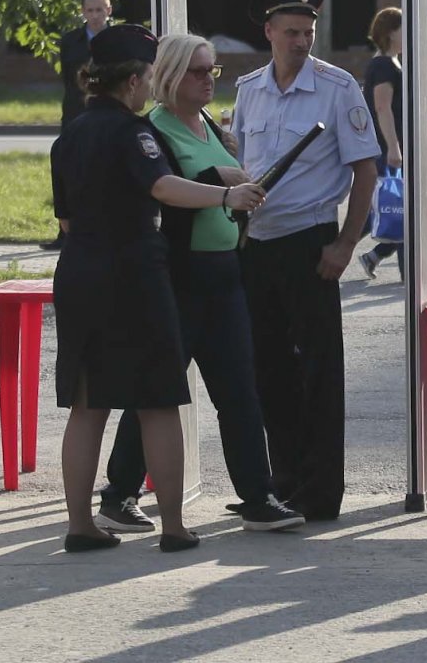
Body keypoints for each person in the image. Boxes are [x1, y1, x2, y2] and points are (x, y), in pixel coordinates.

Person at [50, 24, 266, 553]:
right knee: (159, 401)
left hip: (78, 273)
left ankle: (81, 523)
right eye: (148, 77)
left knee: (87, 405)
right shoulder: (134, 134)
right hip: (133, 277)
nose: (151, 87)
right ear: (131, 80)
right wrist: (226, 196)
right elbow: (162, 186)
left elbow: (68, 221)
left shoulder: (69, 135)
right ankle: (173, 526)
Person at [95, 34, 304, 535]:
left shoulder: (208, 122)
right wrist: (224, 189)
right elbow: (164, 192)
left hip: (225, 272)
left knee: (238, 391)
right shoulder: (151, 131)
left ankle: (257, 495)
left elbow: (226, 182)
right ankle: (119, 492)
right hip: (179, 277)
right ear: (168, 75)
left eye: (213, 69)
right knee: (157, 389)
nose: (209, 79)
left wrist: (239, 186)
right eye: (197, 71)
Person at [231, 0, 380, 522]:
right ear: (269, 32)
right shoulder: (249, 91)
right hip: (258, 244)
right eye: (290, 31)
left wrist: (346, 243)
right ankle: (282, 479)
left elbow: (366, 171)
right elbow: (241, 164)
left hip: (311, 243)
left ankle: (320, 493)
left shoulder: (338, 88)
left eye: (307, 30)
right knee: (267, 369)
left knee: (318, 372)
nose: (301, 41)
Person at [356, 7, 427, 284]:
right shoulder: (383, 65)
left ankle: (404, 267)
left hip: (392, 147)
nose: (410, 34)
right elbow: (382, 107)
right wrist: (393, 147)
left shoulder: (391, 63)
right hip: (386, 148)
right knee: (398, 207)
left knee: (390, 208)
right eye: (405, 28)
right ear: (390, 32)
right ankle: (412, 271)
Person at [41, 0, 113, 251]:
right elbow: (73, 76)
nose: (95, 16)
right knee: (68, 168)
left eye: (100, 9)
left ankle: (105, 230)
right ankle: (65, 232)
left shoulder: (119, 39)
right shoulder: (70, 40)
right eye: (90, 10)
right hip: (75, 112)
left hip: (109, 112)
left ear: (109, 10)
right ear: (83, 12)